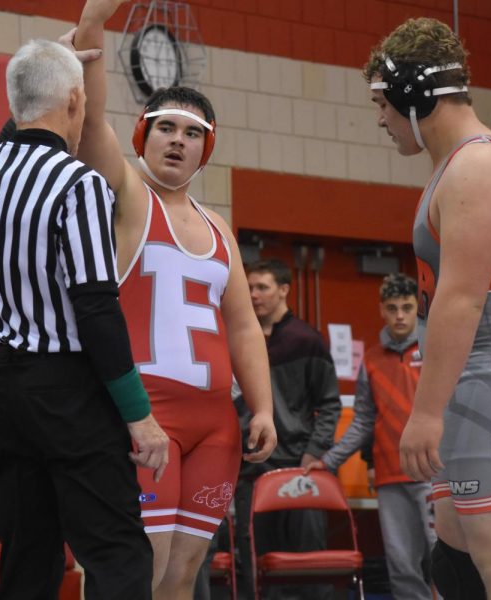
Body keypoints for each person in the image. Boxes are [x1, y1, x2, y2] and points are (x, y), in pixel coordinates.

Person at [365, 17, 491, 600]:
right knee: (455, 564)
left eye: (382, 102)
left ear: (413, 94)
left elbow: (461, 297)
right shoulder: (456, 166)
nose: (379, 118)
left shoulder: (477, 169)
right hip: (481, 377)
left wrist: (426, 412)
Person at [73, 2, 278, 597]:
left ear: (205, 150)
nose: (178, 141)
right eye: (166, 127)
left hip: (215, 426)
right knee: (137, 569)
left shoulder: (220, 230)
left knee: (183, 578)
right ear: (143, 133)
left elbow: (243, 327)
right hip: (146, 419)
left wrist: (261, 408)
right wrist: (92, 27)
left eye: (193, 134)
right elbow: (90, 127)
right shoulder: (131, 197)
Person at [0, 38, 169, 600]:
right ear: (76, 100)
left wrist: (45, 69)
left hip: (2, 389)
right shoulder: (81, 185)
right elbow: (96, 306)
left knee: (27, 557)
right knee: (118, 553)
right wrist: (139, 416)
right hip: (68, 392)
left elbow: (19, 125)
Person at [307, 273, 437, 600]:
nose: (400, 316)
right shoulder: (373, 360)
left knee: (442, 558)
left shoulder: (435, 350)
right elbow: (363, 421)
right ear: (382, 309)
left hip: (434, 472)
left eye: (407, 307)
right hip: (390, 476)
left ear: (417, 308)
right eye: (392, 308)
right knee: (401, 564)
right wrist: (330, 461)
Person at [234, 259, 341, 600]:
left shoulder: (306, 340)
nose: (253, 295)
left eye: (262, 287)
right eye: (249, 287)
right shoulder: (236, 340)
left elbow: (330, 404)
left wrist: (313, 453)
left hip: (298, 467)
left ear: (283, 290)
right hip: (249, 469)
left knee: (306, 561)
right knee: (254, 560)